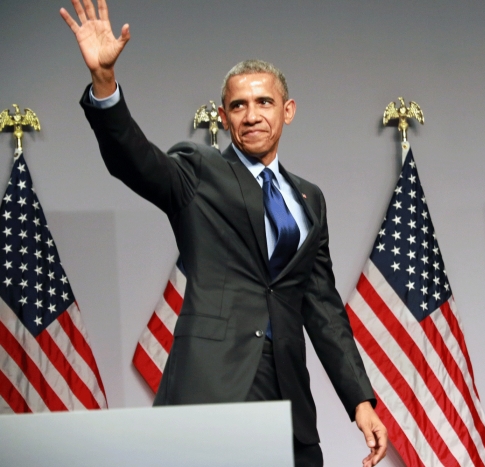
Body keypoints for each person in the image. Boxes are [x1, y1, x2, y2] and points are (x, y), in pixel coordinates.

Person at [60, 1, 388, 466]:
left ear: (288, 110)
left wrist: (360, 401)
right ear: (223, 115)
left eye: (263, 102)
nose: (251, 115)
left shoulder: (310, 200)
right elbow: (137, 162)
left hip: (288, 394)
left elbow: (323, 308)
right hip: (212, 388)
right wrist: (105, 85)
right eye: (238, 105)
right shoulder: (200, 170)